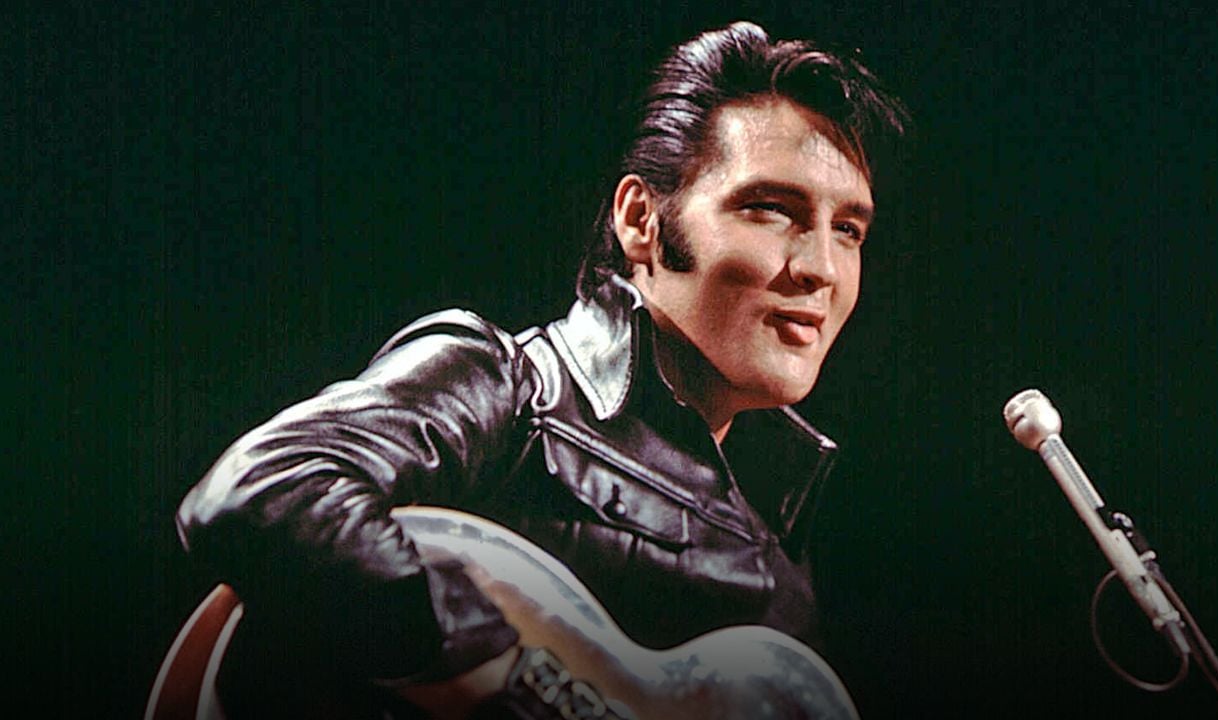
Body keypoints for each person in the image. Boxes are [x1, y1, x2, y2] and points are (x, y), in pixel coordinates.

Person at [176, 20, 908, 719]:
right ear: (641, 221)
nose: (820, 267)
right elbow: (266, 486)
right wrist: (489, 668)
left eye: (848, 229)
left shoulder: (783, 582)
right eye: (771, 210)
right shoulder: (510, 390)